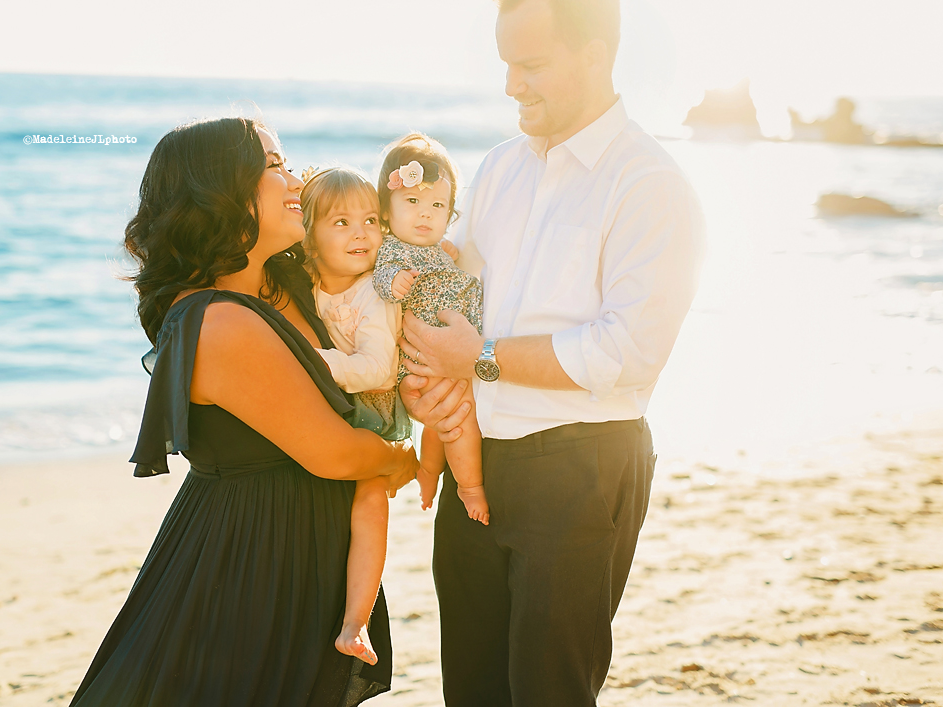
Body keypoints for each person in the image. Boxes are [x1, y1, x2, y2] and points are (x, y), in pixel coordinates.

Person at [397, 0, 706, 704]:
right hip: (478, 463)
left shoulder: (649, 183)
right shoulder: (499, 167)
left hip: (581, 466)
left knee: (549, 692)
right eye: (506, 64)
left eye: (530, 65)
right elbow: (452, 288)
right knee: (470, 689)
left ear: (594, 56)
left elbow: (626, 353)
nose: (511, 85)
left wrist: (479, 358)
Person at [70, 118, 419, 707]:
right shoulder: (219, 320)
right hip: (251, 558)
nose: (295, 180)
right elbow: (334, 453)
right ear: (223, 190)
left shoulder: (286, 283)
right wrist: (400, 459)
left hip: (299, 548)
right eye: (274, 165)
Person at [298, 165, 411, 666]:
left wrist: (310, 361)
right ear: (309, 237)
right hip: (333, 407)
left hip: (372, 410)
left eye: (370, 220)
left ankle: (355, 622)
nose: (361, 233)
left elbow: (378, 369)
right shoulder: (303, 281)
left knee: (369, 506)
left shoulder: (374, 291)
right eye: (341, 223)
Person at [372, 134, 488, 525]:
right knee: (459, 421)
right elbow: (379, 277)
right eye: (412, 202)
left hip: (446, 353)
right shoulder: (391, 249)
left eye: (437, 206)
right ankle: (470, 487)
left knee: (441, 424)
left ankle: (428, 472)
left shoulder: (435, 249)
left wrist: (446, 254)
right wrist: (394, 282)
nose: (425, 215)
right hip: (425, 356)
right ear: (385, 210)